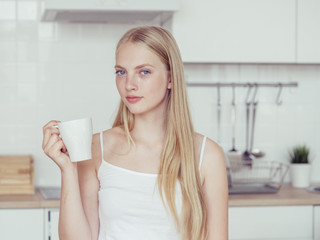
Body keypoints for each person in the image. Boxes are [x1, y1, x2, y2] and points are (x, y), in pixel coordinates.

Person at [42, 26, 228, 240]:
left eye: (144, 72)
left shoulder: (207, 155)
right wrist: (68, 169)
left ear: (171, 79)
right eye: (121, 72)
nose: (129, 84)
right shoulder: (96, 148)